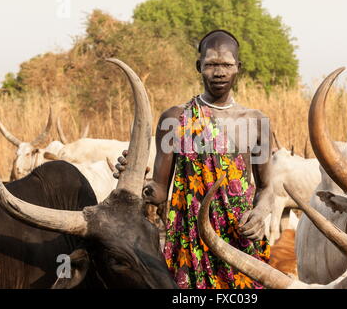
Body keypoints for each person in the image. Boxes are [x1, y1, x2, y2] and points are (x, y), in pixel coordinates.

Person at [115, 29, 274, 289]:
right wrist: (132, 176)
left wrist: (259, 214)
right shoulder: (174, 119)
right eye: (211, 64)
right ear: (199, 66)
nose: (219, 72)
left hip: (240, 242)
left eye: (226, 64)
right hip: (190, 245)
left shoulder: (256, 122)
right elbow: (158, 190)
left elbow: (267, 187)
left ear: (238, 67)